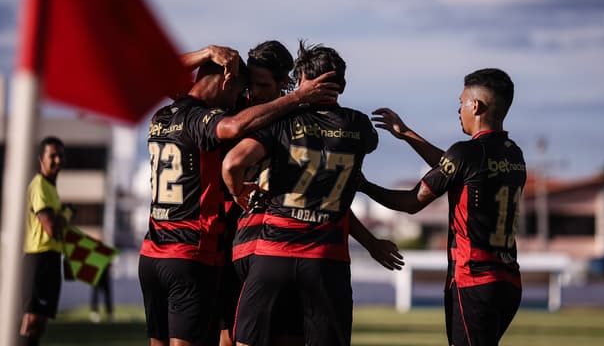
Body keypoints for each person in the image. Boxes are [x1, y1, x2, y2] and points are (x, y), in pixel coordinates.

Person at [138, 44, 340, 346]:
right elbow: (156, 77)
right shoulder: (227, 109)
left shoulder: (295, 119)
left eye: (262, 85)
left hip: (268, 246)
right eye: (249, 85)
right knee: (226, 334)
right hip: (216, 241)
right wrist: (205, 54)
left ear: (284, 83)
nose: (252, 94)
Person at [219, 41, 403, 346]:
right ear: (341, 85)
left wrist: (239, 191)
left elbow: (233, 162)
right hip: (325, 260)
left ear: (301, 81)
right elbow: (355, 159)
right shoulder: (358, 126)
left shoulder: (280, 121)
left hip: (271, 254)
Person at [359, 68, 526, 346]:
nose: (458, 110)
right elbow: (456, 167)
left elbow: (412, 203)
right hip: (508, 281)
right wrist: (407, 134)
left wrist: (362, 185)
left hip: (473, 280)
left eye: (461, 103)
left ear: (476, 106)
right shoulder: (513, 152)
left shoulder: (466, 153)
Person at [21, 136, 73, 346]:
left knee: (39, 324)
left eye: (60, 155)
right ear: (40, 159)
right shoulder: (40, 185)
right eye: (52, 156)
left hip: (50, 259)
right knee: (31, 321)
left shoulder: (50, 187)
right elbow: (51, 228)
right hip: (37, 260)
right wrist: (67, 214)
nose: (58, 160)